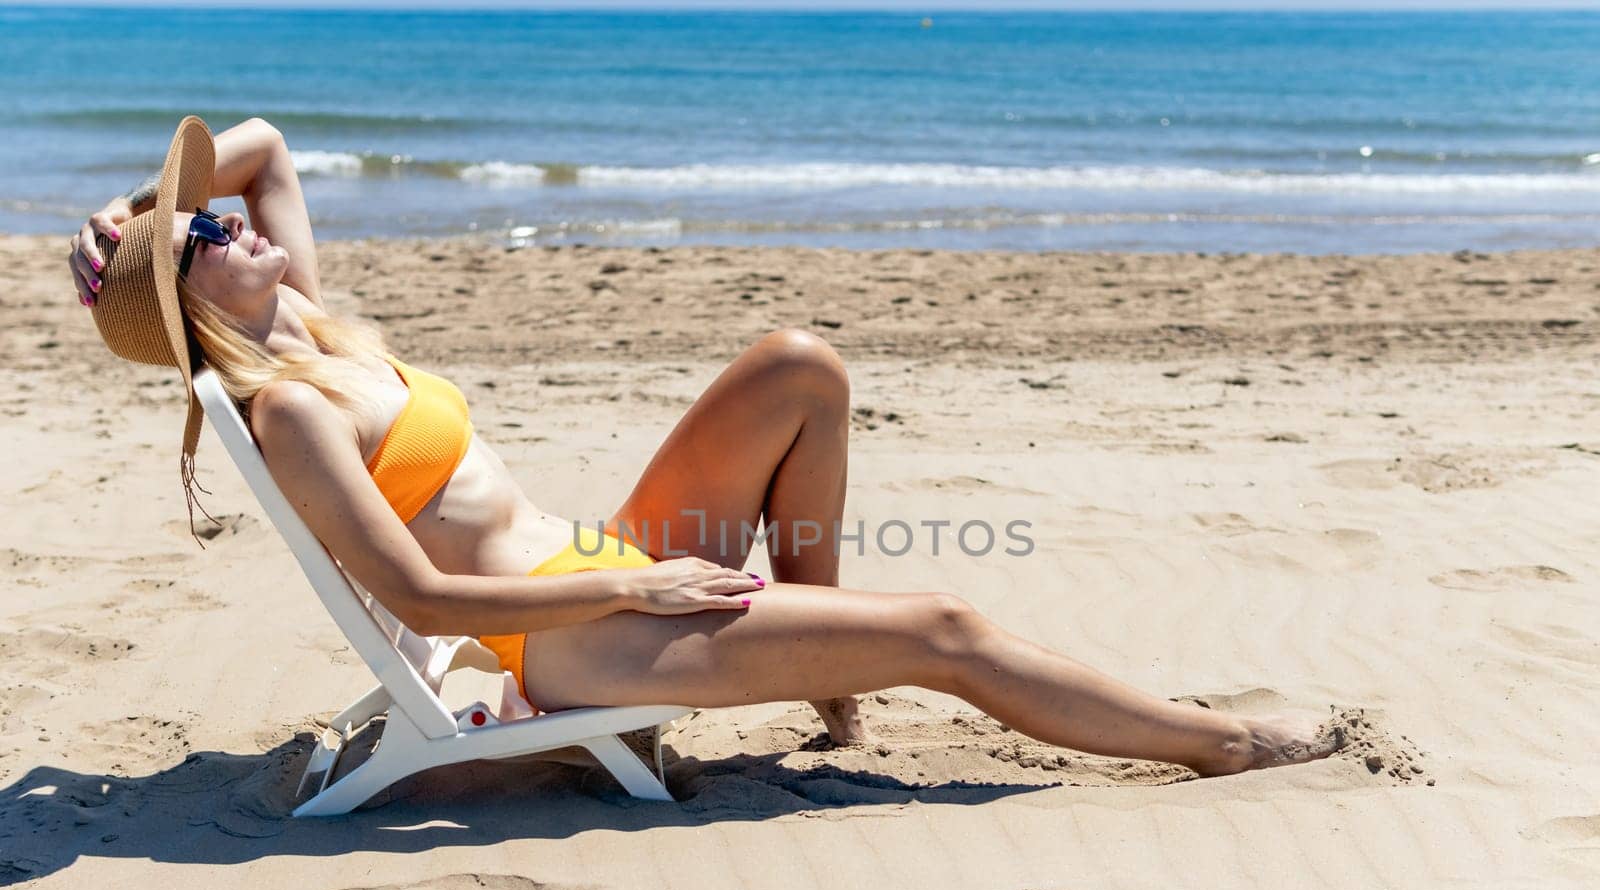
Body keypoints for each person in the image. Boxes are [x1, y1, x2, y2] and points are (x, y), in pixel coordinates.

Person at [67, 115, 1339, 777]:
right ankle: (1222, 741)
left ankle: (826, 660)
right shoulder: (290, 407)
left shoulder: (303, 324)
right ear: (194, 309)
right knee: (946, 625)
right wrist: (635, 583)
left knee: (798, 364)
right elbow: (414, 593)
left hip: (591, 566)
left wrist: (137, 212)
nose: (228, 220)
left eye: (211, 216)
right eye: (201, 238)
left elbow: (268, 150)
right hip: (573, 632)